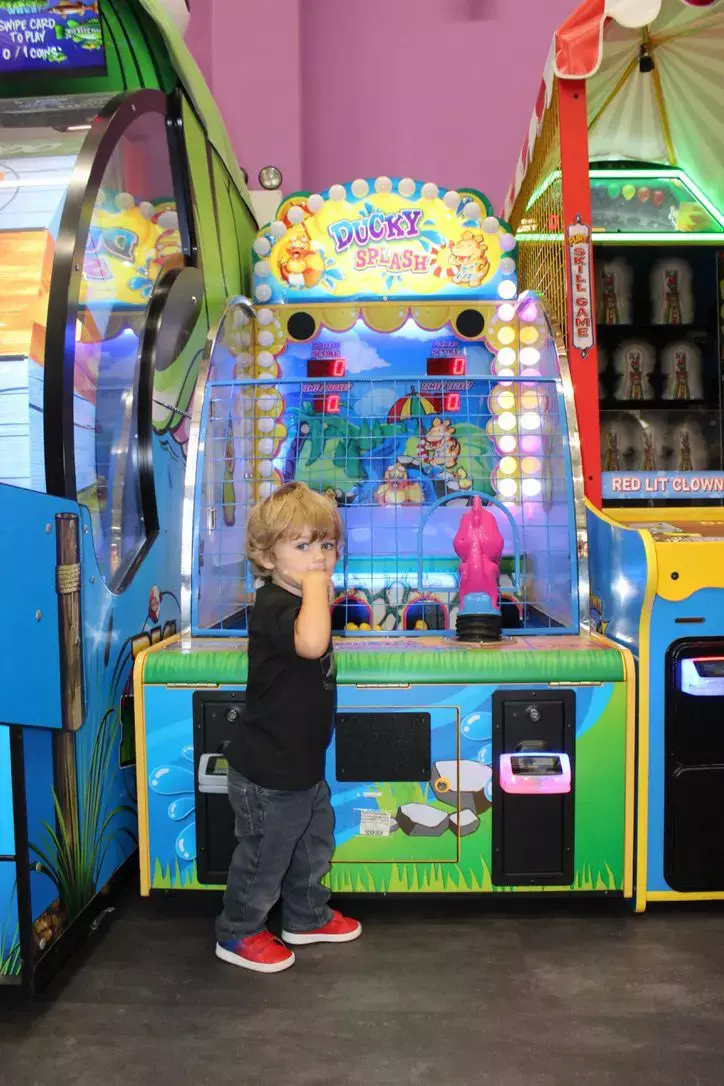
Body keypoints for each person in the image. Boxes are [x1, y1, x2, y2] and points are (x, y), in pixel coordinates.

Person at [215, 482, 361, 973]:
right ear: (267, 556)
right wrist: (319, 586)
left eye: (325, 545)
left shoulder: (300, 599)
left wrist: (316, 585)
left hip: (300, 766)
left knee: (313, 842)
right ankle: (237, 932)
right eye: (301, 546)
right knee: (265, 857)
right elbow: (312, 645)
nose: (318, 558)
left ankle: (305, 915)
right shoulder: (274, 605)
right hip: (267, 773)